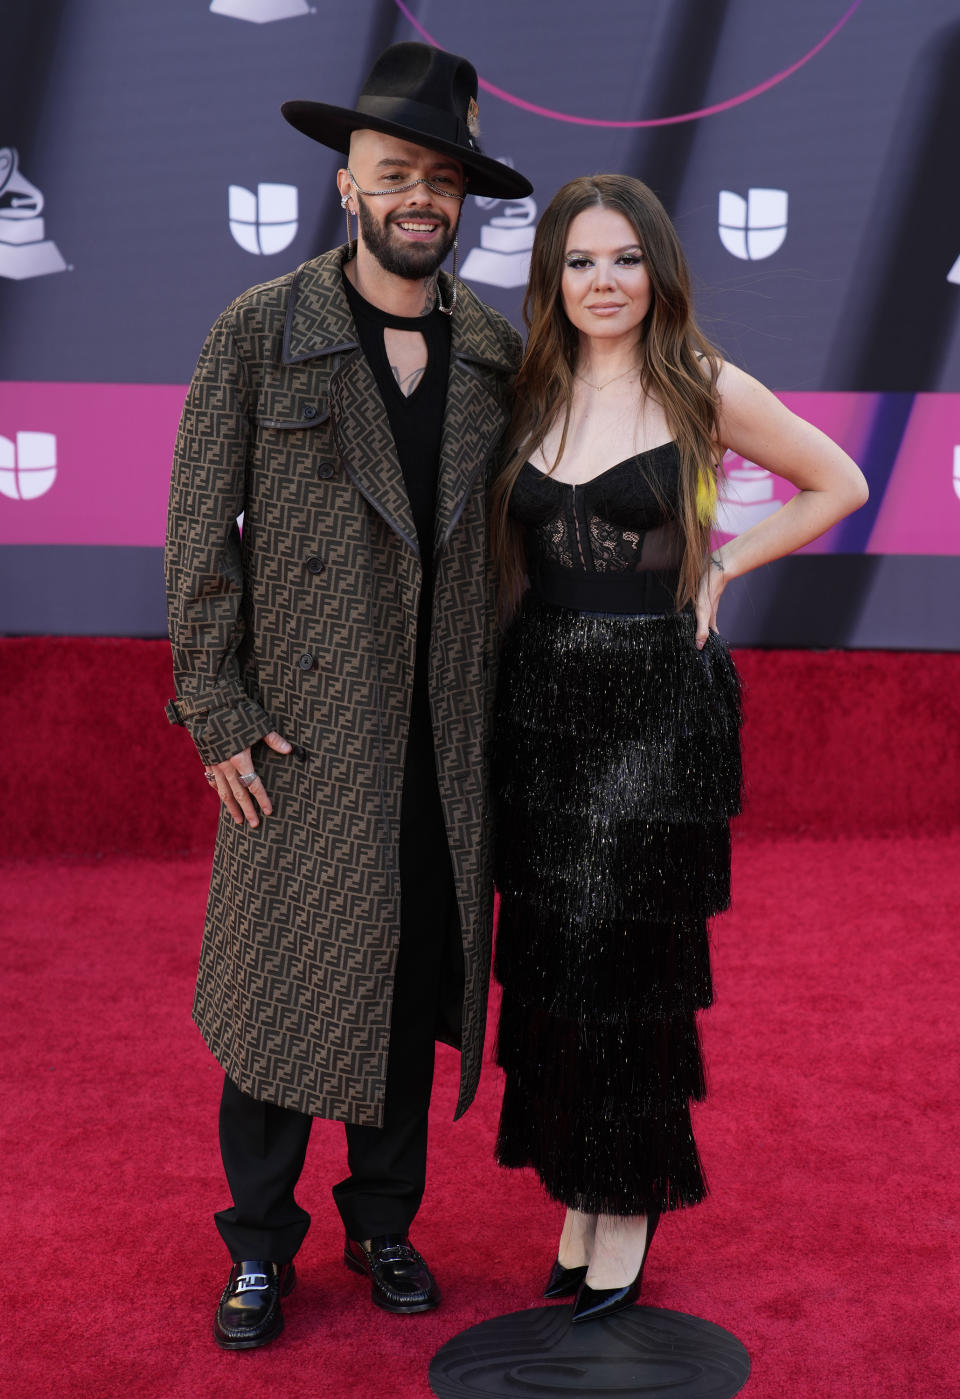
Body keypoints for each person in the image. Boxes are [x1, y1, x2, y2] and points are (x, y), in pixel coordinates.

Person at [164, 42, 532, 1349]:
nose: (420, 197)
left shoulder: (497, 351)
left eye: (442, 178)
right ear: (346, 185)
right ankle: (259, 1246)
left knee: (403, 985)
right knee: (277, 1003)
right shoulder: (263, 330)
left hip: (443, 738)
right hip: (304, 737)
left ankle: (385, 1220)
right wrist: (212, 709)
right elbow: (200, 530)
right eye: (396, 174)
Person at [489, 174, 868, 1324]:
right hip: (543, 707)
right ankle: (577, 1195)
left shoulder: (703, 382)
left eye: (623, 260)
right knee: (554, 958)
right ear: (552, 276)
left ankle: (628, 1205)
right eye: (579, 262)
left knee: (625, 963)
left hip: (657, 706)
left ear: (658, 268)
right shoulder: (529, 387)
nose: (603, 283)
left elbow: (836, 482)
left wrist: (723, 565)